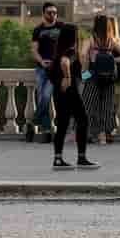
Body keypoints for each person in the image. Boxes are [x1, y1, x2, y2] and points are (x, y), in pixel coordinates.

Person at [47, 23, 98, 170]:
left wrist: (91, 74)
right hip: (71, 93)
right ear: (73, 37)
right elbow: (65, 63)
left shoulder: (57, 52)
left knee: (62, 125)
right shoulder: (70, 51)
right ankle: (81, 158)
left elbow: (81, 77)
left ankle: (58, 159)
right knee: (83, 120)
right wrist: (67, 77)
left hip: (59, 93)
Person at [80, 14, 120, 145]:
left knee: (88, 105)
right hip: (109, 78)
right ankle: (103, 135)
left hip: (93, 76)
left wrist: (84, 75)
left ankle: (88, 133)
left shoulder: (91, 40)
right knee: (106, 107)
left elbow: (84, 55)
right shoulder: (111, 40)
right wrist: (113, 60)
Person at [28, 2, 62, 143]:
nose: (52, 14)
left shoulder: (62, 28)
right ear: (43, 14)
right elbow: (34, 50)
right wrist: (41, 61)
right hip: (41, 68)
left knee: (46, 95)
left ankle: (33, 122)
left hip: (56, 68)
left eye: (54, 12)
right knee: (43, 97)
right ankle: (47, 131)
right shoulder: (38, 30)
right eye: (49, 12)